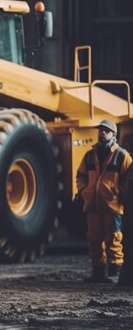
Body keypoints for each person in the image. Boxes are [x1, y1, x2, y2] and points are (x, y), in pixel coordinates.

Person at [76, 119, 132, 283]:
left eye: (106, 131)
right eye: (100, 130)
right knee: (94, 238)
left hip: (112, 206)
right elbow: (81, 176)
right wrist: (84, 191)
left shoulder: (122, 156)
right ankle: (98, 272)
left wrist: (118, 193)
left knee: (113, 239)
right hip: (93, 205)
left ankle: (115, 272)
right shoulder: (89, 155)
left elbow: (128, 179)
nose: (102, 133)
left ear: (113, 134)